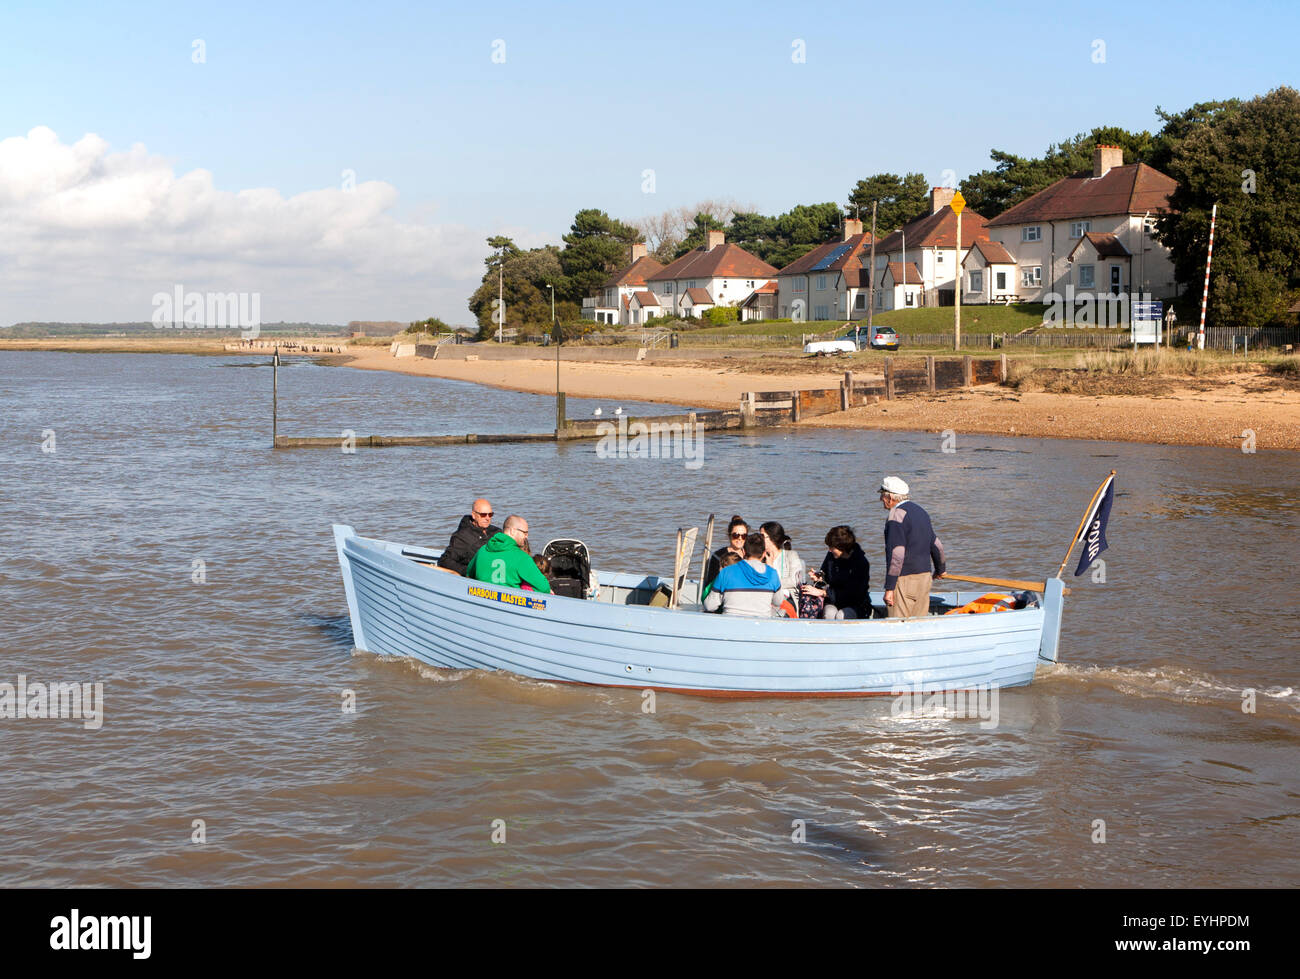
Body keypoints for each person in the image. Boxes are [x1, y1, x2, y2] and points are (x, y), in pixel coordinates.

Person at [878, 477, 945, 618]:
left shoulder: (896, 515)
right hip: (925, 578)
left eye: (882, 495)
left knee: (898, 626)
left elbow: (897, 554)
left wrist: (889, 587)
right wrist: (940, 569)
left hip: (905, 580)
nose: (880, 499)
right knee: (919, 624)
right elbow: (936, 544)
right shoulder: (921, 512)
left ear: (890, 497)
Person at [703, 532, 783, 617]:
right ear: (764, 554)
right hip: (761, 626)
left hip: (730, 625)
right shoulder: (773, 574)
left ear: (743, 552)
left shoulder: (726, 572)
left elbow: (710, 606)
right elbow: (778, 602)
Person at [466, 515, 552, 593]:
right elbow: (544, 588)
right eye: (524, 533)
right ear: (512, 531)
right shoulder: (522, 557)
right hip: (509, 604)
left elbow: (469, 575)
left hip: (484, 601)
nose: (526, 536)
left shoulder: (482, 550)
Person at [803, 525, 871, 619]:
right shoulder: (831, 556)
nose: (829, 550)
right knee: (829, 613)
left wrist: (823, 593)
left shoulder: (861, 563)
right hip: (833, 601)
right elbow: (826, 576)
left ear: (842, 547)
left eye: (831, 547)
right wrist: (819, 578)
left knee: (842, 615)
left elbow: (853, 594)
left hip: (856, 604)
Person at [439, 498, 500, 576]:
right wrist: (469, 571)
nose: (487, 518)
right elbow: (444, 561)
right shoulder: (462, 537)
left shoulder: (496, 531)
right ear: (474, 515)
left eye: (490, 514)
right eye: (483, 515)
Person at [759, 521, 806, 605]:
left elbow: (793, 581)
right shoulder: (760, 557)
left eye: (762, 536)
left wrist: (771, 571)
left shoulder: (791, 555)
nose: (759, 539)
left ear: (773, 538)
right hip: (766, 598)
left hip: (787, 599)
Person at [704, 515, 748, 587]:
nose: (740, 538)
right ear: (729, 535)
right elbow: (710, 583)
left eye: (743, 536)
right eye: (736, 535)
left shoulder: (750, 553)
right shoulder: (718, 555)